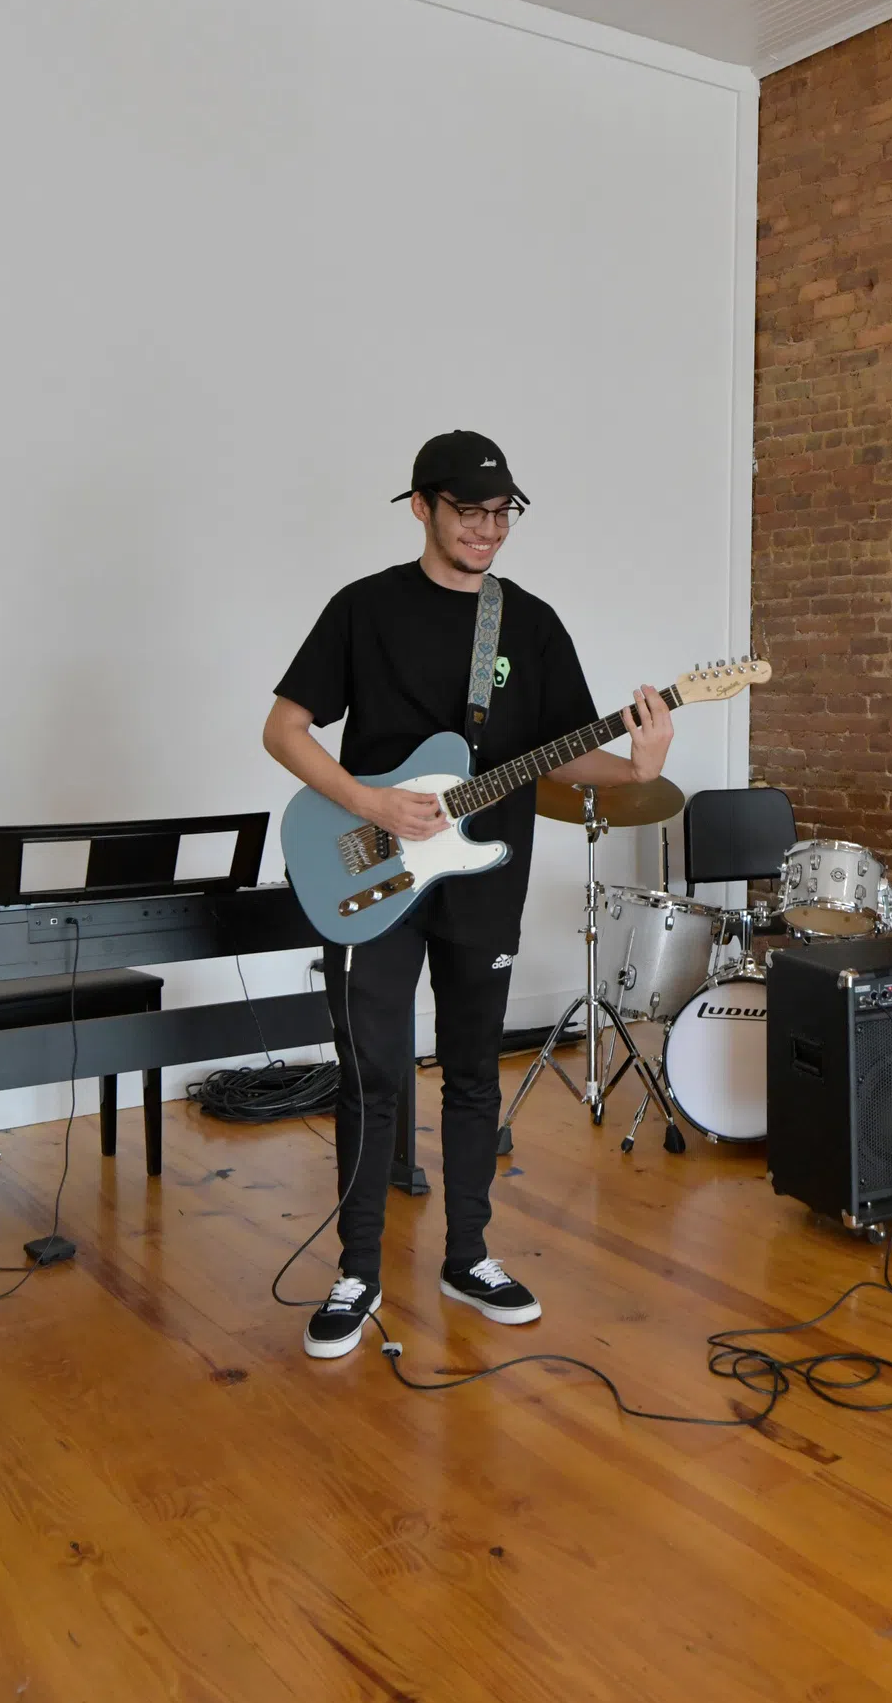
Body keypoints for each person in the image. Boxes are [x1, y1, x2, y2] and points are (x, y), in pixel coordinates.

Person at [264, 430, 673, 1358]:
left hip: (483, 878)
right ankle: (357, 1270)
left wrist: (640, 764)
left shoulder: (526, 622)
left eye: (502, 514)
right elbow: (284, 728)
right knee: (372, 1073)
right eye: (469, 512)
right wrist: (369, 800)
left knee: (475, 1070)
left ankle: (469, 1255)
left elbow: (570, 750)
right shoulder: (363, 609)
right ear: (422, 506)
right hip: (372, 868)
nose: (488, 530)